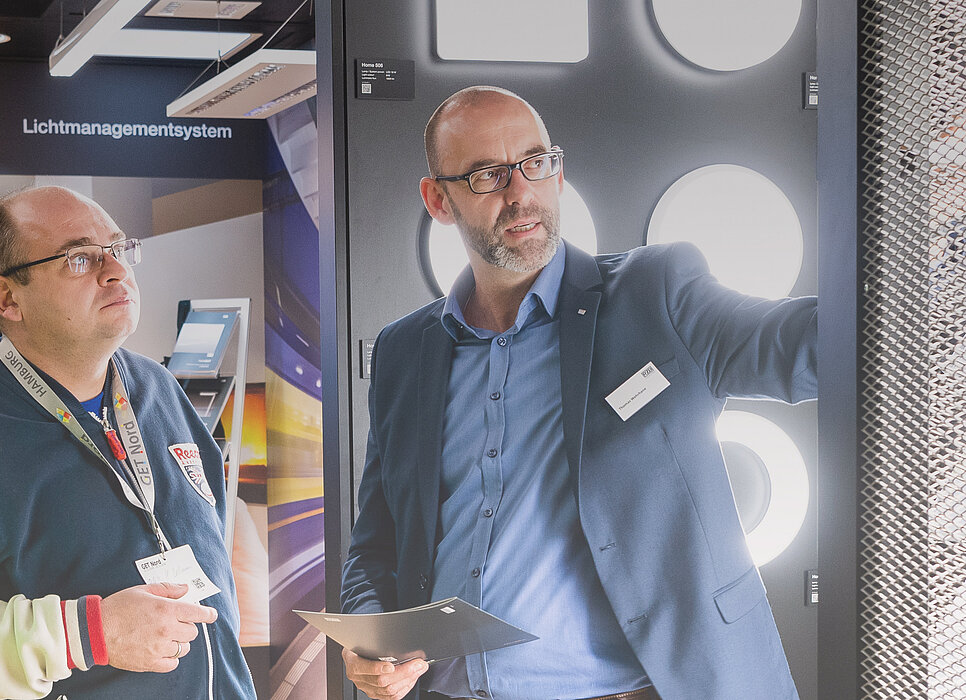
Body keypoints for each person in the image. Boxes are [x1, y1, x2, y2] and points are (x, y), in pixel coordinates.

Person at [339, 86, 818, 700]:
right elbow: (375, 543)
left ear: (557, 171)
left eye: (535, 163)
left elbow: (796, 347)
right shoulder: (404, 351)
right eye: (488, 175)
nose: (520, 194)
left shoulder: (655, 295)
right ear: (438, 199)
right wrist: (372, 639)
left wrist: (931, 283)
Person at [0, 186, 257, 700]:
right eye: (79, 259)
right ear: (7, 298)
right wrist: (94, 633)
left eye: (117, 250)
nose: (115, 272)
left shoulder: (157, 388)